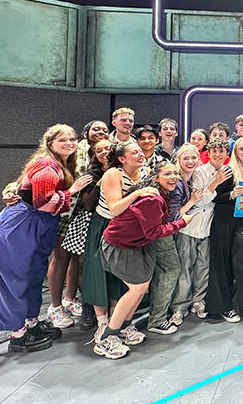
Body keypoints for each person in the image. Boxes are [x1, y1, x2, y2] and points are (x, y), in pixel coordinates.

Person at [0, 124, 92, 352]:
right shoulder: (47, 164)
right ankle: (18, 333)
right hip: (22, 224)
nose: (69, 143)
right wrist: (72, 191)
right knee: (16, 277)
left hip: (37, 224)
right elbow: (42, 201)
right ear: (50, 143)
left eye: (72, 139)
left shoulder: (62, 163)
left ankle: (30, 323)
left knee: (33, 276)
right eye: (62, 140)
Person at [94, 162, 198, 359]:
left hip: (135, 244)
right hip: (121, 245)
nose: (173, 177)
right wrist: (181, 223)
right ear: (156, 177)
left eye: (175, 173)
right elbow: (154, 232)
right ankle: (107, 338)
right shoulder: (153, 199)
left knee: (141, 286)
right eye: (167, 173)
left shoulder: (162, 195)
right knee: (137, 288)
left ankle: (124, 327)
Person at [82, 142, 150, 341]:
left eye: (140, 151)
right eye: (134, 152)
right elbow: (114, 209)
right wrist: (137, 193)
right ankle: (103, 326)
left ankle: (119, 323)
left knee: (121, 278)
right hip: (105, 226)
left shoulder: (144, 172)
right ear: (122, 159)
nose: (140, 154)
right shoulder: (113, 174)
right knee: (99, 274)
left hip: (126, 229)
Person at [171, 139, 232, 324]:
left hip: (208, 228)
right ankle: (180, 306)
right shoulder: (199, 171)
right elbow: (200, 201)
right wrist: (215, 182)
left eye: (222, 151)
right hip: (190, 226)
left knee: (203, 267)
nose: (218, 155)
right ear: (208, 153)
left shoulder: (229, 172)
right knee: (185, 268)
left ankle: (198, 301)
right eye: (214, 151)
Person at [147, 146, 203, 336]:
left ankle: (158, 315)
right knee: (171, 271)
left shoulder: (183, 181)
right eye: (185, 158)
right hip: (163, 234)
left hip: (165, 232)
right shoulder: (177, 186)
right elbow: (172, 217)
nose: (190, 162)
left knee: (165, 272)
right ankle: (157, 319)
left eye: (193, 157)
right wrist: (192, 202)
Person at [205, 137, 243, 321]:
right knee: (222, 265)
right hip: (224, 222)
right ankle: (221, 306)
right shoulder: (228, 171)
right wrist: (231, 195)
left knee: (241, 262)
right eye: (241, 148)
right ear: (235, 152)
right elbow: (213, 197)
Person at [61, 139, 112, 331]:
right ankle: (88, 310)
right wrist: (100, 184)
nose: (104, 152)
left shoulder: (120, 169)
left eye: (108, 148)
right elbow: (88, 204)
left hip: (112, 223)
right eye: (99, 150)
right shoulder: (92, 175)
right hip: (90, 224)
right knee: (87, 267)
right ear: (94, 156)